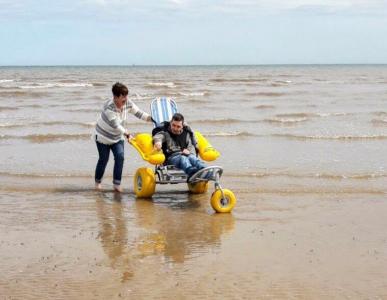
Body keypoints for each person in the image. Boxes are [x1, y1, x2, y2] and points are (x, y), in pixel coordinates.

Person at [94, 82, 152, 192]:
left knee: (120, 157)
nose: (125, 99)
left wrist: (151, 119)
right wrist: (127, 134)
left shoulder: (127, 103)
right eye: (123, 97)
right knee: (103, 159)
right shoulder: (109, 107)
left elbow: (139, 113)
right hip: (103, 136)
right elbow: (116, 125)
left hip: (117, 137)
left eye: (126, 96)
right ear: (115, 97)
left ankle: (116, 184)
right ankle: (97, 182)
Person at [153, 113, 206, 178]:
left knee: (192, 157)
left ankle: (205, 170)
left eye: (178, 126)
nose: (175, 128)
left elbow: (190, 145)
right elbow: (158, 137)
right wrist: (158, 143)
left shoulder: (186, 133)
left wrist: (189, 151)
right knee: (182, 158)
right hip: (171, 158)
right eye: (173, 125)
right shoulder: (165, 133)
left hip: (186, 155)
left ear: (182, 126)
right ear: (170, 124)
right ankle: (191, 172)